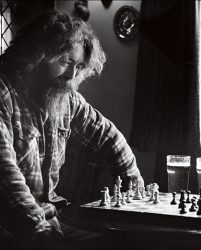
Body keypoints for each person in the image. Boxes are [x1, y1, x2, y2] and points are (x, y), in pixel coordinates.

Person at [0, 10, 143, 249]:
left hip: (52, 217)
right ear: (37, 54)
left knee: (125, 241)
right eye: (66, 61)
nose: (72, 75)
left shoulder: (66, 98)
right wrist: (40, 231)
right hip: (11, 225)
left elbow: (110, 138)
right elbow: (5, 176)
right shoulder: (4, 93)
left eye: (79, 66)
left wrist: (137, 193)